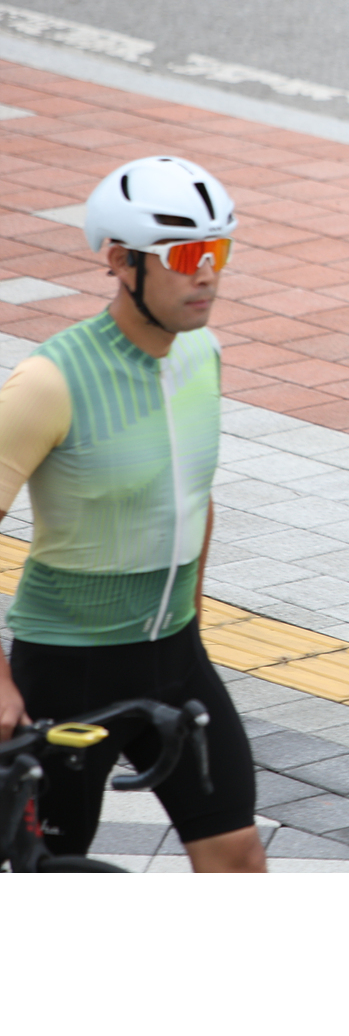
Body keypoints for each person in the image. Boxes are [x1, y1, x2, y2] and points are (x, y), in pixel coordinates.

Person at [0, 155, 265, 871]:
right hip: (69, 674)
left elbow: (194, 496)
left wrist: (190, 618)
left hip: (177, 657)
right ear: (121, 261)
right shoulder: (50, 381)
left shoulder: (201, 355)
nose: (205, 274)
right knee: (54, 875)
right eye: (182, 255)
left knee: (238, 856)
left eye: (217, 251)